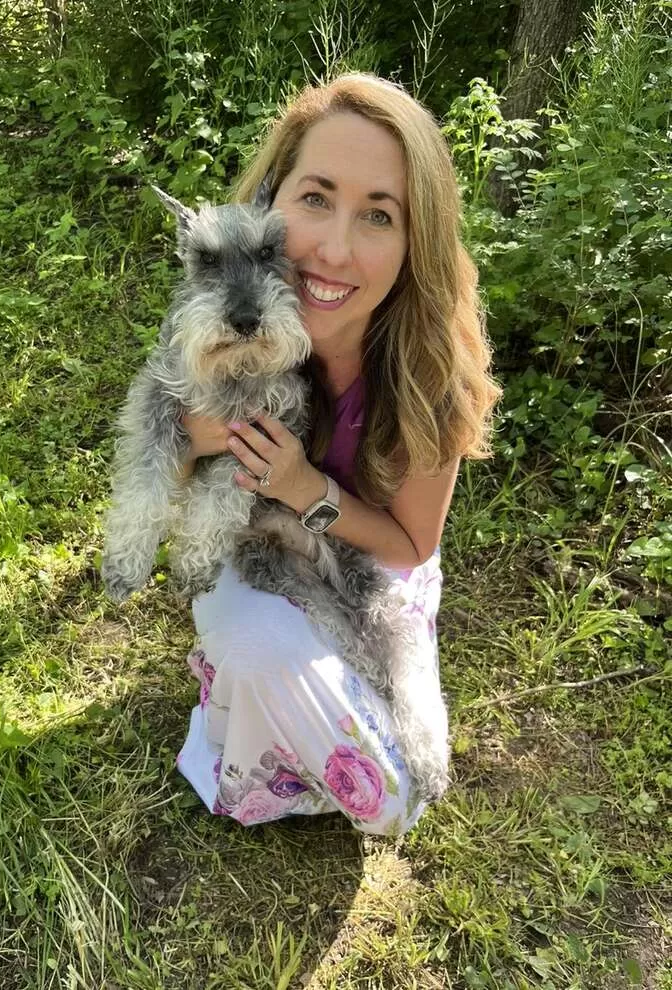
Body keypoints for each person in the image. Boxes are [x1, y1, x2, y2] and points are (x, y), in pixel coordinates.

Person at [174, 72, 502, 835]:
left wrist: (303, 485)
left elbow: (412, 544)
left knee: (401, 788)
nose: (333, 249)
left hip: (372, 561)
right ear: (268, 200)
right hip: (255, 548)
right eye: (315, 198)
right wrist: (196, 436)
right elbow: (173, 477)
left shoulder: (430, 372)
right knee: (374, 783)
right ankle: (246, 695)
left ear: (416, 238)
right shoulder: (223, 318)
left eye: (379, 215)